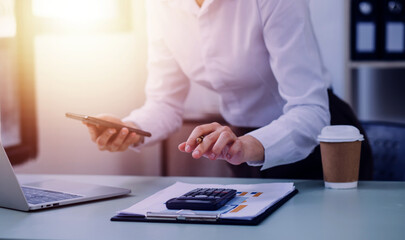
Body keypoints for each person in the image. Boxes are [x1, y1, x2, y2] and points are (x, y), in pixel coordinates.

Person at [85, 0, 373, 180]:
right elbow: (163, 103)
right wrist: (129, 128)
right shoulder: (161, 5)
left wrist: (245, 145)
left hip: (320, 145)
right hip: (241, 148)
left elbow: (310, 110)